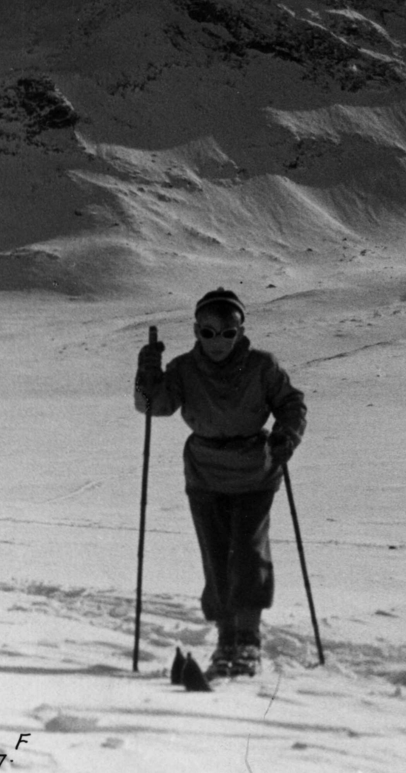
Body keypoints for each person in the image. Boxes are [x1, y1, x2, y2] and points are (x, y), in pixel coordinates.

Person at [134, 287, 306, 678]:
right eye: (208, 333)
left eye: (227, 333)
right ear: (196, 331)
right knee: (216, 556)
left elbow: (291, 403)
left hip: (254, 472)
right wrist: (147, 373)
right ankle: (226, 640)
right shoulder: (182, 369)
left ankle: (248, 642)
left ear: (241, 332)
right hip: (204, 472)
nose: (218, 342)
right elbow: (152, 406)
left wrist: (285, 435)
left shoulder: (263, 366)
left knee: (247, 553)